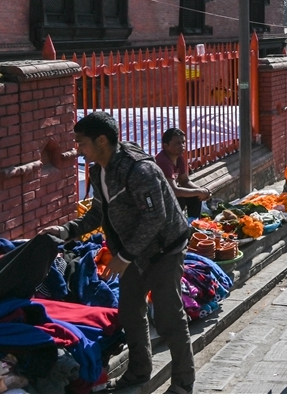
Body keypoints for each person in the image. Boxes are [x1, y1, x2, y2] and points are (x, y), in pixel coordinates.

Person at [43, 112, 194, 394]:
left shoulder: (138, 170)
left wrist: (124, 257)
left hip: (165, 249)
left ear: (102, 140)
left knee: (169, 317)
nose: (78, 149)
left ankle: (183, 382)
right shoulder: (99, 169)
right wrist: (66, 231)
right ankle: (138, 372)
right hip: (131, 253)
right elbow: (99, 212)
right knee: (129, 312)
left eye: (81, 143)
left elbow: (156, 217)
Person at [154, 128, 211, 218]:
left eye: (183, 142)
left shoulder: (179, 158)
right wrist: (198, 191)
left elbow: (185, 181)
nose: (182, 146)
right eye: (177, 143)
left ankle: (193, 224)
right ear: (165, 146)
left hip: (169, 193)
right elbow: (174, 191)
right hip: (157, 200)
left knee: (195, 196)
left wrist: (202, 191)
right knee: (180, 199)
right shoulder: (163, 161)